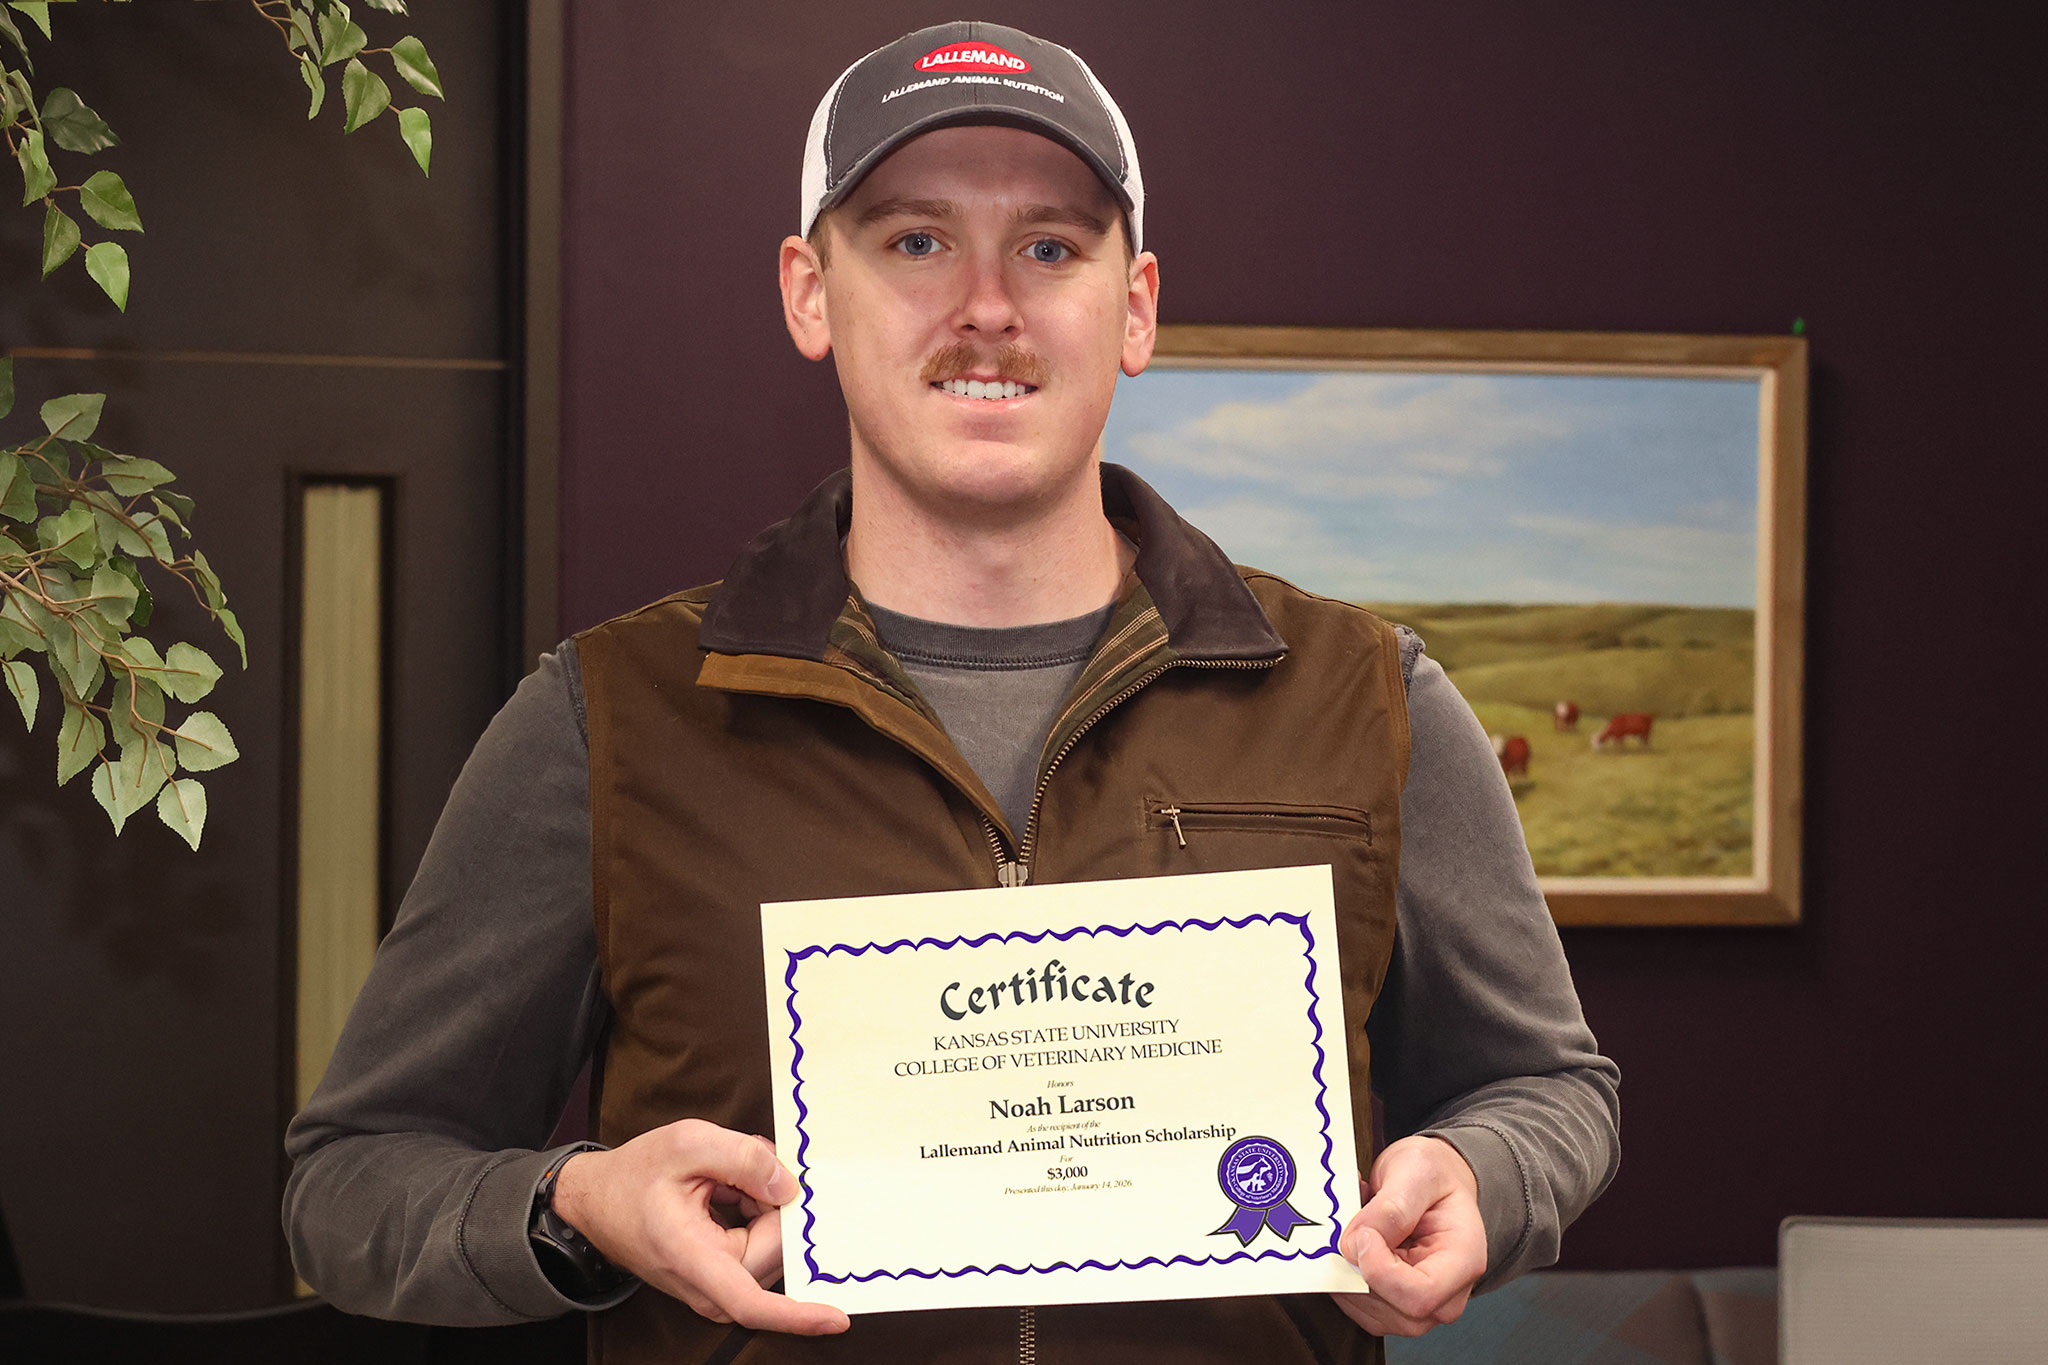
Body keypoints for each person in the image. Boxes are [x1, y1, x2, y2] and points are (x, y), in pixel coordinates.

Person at [284, 21, 1618, 1364]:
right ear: (811, 292)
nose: (988, 305)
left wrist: (1485, 1176)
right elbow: (347, 1185)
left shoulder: (1369, 696)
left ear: (1135, 304)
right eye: (916, 241)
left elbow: (1551, 1086)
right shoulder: (611, 714)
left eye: (1049, 246)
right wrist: (575, 1203)